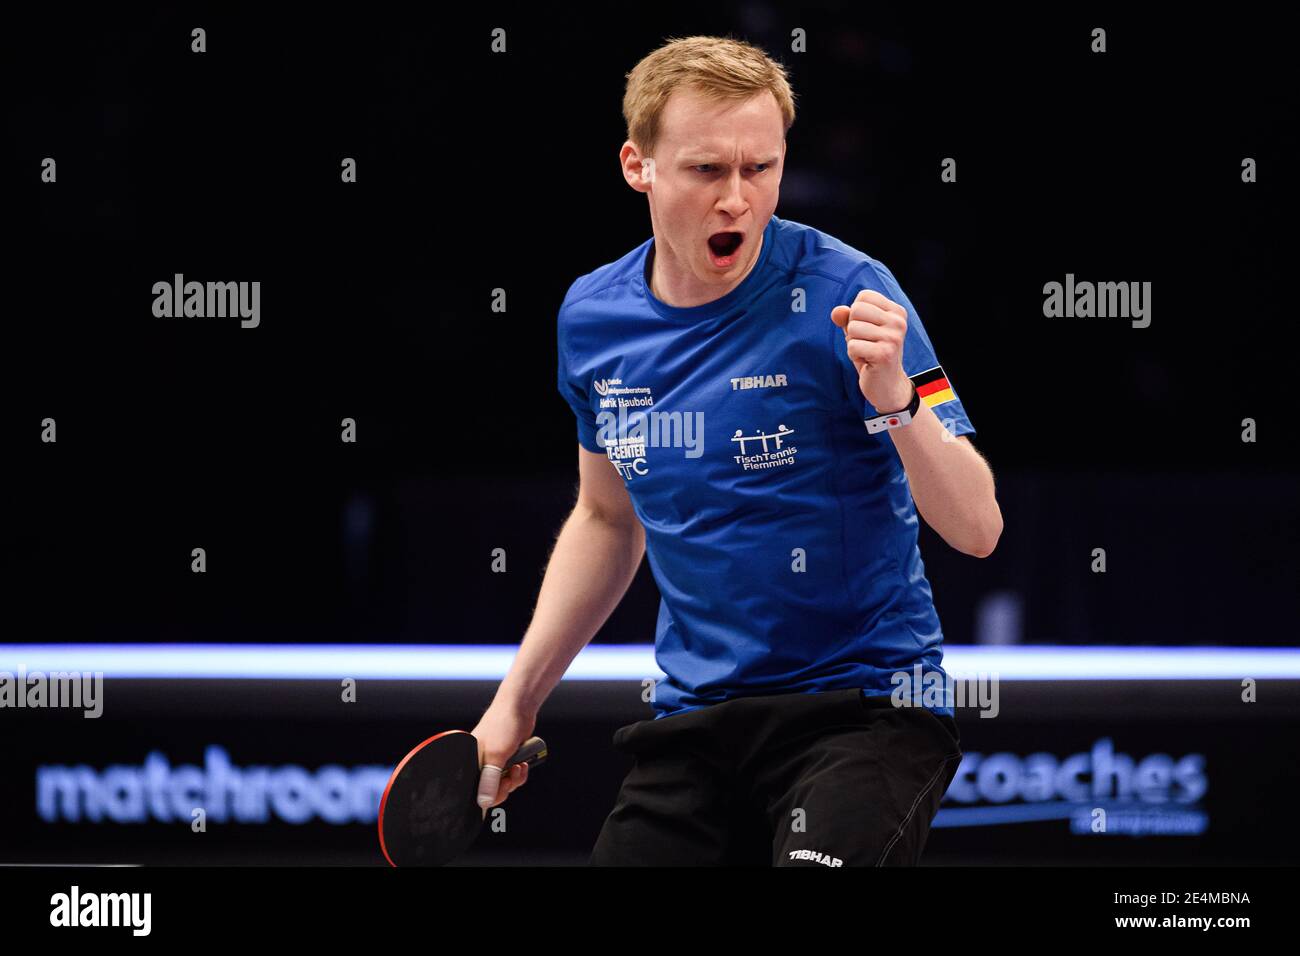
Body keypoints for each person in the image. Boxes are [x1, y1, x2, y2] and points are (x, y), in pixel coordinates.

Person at [471, 35, 1003, 866]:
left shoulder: (853, 293)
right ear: (637, 166)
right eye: (707, 171)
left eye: (761, 169)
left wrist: (898, 401)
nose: (738, 201)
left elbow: (977, 525)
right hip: (696, 724)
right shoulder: (592, 320)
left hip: (867, 712)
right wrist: (517, 699)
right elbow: (607, 518)